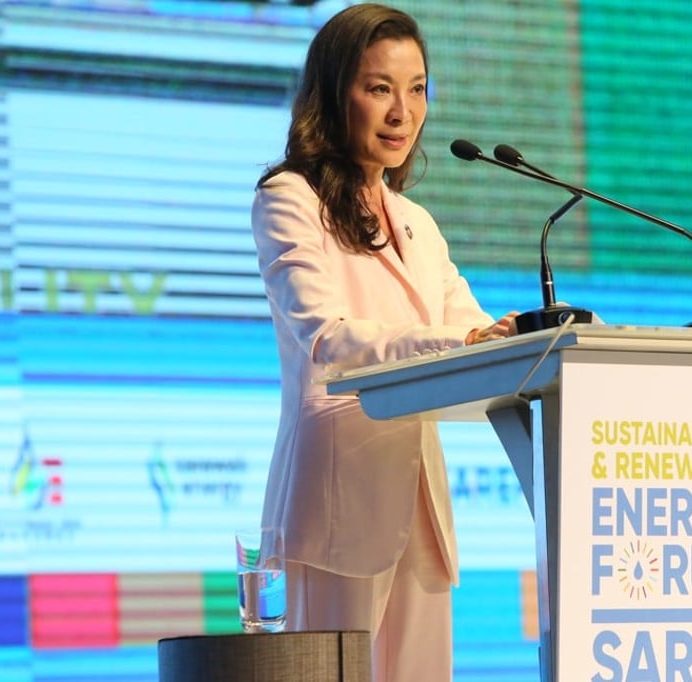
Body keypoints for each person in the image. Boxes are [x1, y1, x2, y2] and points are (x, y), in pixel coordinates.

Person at [249, 4, 518, 681]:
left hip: (420, 514)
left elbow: (473, 328)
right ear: (334, 93)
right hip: (337, 504)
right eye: (379, 88)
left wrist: (529, 335)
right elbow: (328, 336)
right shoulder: (289, 198)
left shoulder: (417, 222)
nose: (403, 111)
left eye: (417, 88)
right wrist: (462, 340)